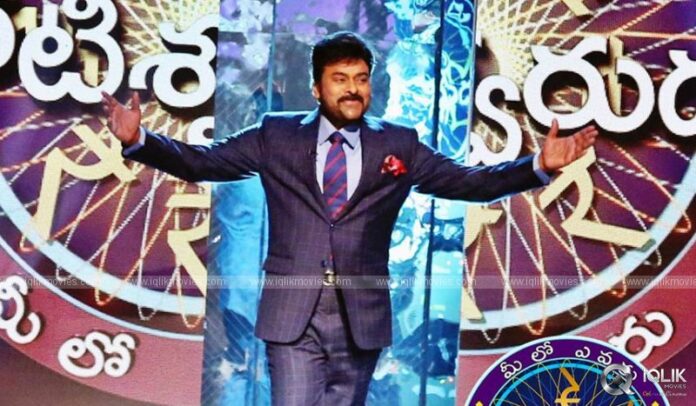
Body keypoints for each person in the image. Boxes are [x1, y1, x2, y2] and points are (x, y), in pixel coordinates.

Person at [102, 31, 597, 406]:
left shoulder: (397, 143)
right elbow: (203, 163)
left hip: (360, 314)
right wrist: (139, 141)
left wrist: (538, 165)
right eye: (340, 79)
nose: (353, 90)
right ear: (317, 88)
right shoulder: (277, 135)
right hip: (293, 313)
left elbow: (469, 183)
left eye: (361, 79)